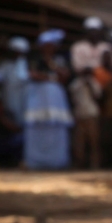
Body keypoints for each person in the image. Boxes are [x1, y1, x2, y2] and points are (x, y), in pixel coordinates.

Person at [24, 29, 73, 170]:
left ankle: (57, 160)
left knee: (56, 128)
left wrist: (51, 67)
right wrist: (52, 78)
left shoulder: (59, 60)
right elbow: (32, 75)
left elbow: (64, 76)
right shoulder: (34, 59)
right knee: (37, 127)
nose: (49, 47)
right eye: (46, 44)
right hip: (38, 98)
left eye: (51, 44)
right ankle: (35, 161)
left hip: (55, 98)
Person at [0, 36, 30, 124]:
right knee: (12, 118)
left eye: (20, 52)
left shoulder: (27, 65)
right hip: (9, 97)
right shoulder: (6, 65)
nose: (18, 54)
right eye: (16, 52)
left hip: (26, 97)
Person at [68, 67, 102, 169]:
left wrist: (89, 85)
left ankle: (95, 164)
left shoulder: (94, 83)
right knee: (79, 142)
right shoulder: (76, 83)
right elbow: (72, 95)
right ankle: (79, 164)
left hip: (92, 114)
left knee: (94, 141)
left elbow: (98, 96)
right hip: (79, 115)